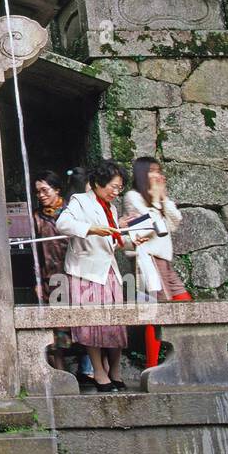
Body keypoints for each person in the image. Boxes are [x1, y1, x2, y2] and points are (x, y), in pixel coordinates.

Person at [55, 159, 148, 393]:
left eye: (120, 188)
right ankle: (98, 371)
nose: (116, 193)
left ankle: (115, 370)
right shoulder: (80, 201)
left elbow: (112, 242)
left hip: (108, 271)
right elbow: (63, 224)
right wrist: (91, 228)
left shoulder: (112, 209)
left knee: (115, 324)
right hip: (86, 272)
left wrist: (132, 239)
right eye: (113, 187)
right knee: (92, 324)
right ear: (97, 182)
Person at [123, 156, 190, 367]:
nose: (158, 175)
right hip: (148, 259)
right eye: (152, 170)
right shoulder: (133, 197)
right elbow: (153, 226)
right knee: (157, 311)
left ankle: (182, 357)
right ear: (142, 173)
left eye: (159, 170)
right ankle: (152, 366)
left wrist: (162, 199)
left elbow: (174, 222)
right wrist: (155, 200)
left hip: (164, 260)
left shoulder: (158, 199)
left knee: (184, 303)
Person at [32, 169, 74, 375]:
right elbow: (35, 252)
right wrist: (38, 280)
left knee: (79, 320)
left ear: (57, 189)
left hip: (74, 273)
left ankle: (87, 368)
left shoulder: (72, 211)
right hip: (51, 276)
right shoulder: (38, 217)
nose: (41, 195)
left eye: (44, 190)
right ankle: (60, 369)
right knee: (57, 323)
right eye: (38, 192)